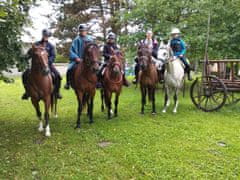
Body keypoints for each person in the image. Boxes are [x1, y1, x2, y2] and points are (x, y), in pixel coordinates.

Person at [21, 29, 62, 100]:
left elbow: (53, 56)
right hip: (36, 66)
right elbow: (30, 53)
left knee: (58, 75)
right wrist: (25, 58)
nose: (45, 37)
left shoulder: (51, 46)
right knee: (24, 74)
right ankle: (27, 92)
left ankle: (57, 92)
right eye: (44, 35)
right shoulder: (36, 44)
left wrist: (47, 63)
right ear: (42, 35)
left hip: (47, 65)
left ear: (49, 36)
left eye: (47, 36)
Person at [64, 24, 93, 89]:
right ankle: (68, 83)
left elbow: (93, 49)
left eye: (83, 31)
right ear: (79, 31)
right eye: (81, 31)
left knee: (97, 68)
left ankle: (97, 82)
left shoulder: (90, 39)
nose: (82, 32)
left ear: (86, 31)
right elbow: (71, 51)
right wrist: (76, 58)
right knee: (69, 69)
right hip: (79, 60)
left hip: (89, 60)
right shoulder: (76, 40)